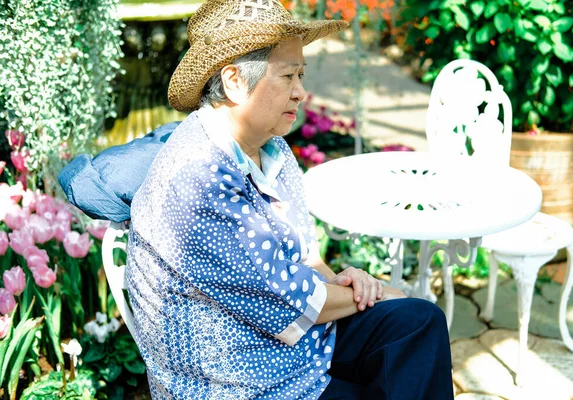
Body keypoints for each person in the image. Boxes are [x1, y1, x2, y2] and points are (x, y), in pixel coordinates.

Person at [61, 0, 454, 398]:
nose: (301, 92)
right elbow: (297, 302)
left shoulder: (273, 149)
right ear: (233, 81)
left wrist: (348, 281)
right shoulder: (198, 177)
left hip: (292, 342)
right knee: (399, 348)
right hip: (239, 379)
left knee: (418, 324)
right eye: (287, 76)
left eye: (301, 74)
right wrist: (381, 291)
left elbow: (307, 260)